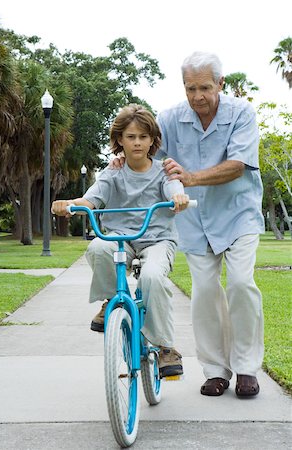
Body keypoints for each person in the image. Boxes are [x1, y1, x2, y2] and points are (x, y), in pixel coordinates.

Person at [112, 52, 265, 398]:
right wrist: (124, 154)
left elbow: (238, 165)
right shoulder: (169, 118)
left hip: (238, 213)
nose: (197, 96)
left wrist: (191, 178)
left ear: (220, 84)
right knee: (205, 293)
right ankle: (215, 372)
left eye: (205, 88)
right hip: (194, 219)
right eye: (190, 88)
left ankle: (246, 368)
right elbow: (144, 142)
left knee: (241, 284)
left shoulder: (242, 113)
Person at [51, 104, 190, 378]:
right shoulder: (112, 172)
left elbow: (175, 189)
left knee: (152, 277)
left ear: (152, 140)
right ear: (119, 140)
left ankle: (165, 347)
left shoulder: (165, 170)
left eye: (143, 136)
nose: (137, 142)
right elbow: (90, 200)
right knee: (98, 247)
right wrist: (69, 204)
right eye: (130, 136)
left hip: (157, 240)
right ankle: (111, 299)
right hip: (120, 239)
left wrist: (179, 198)